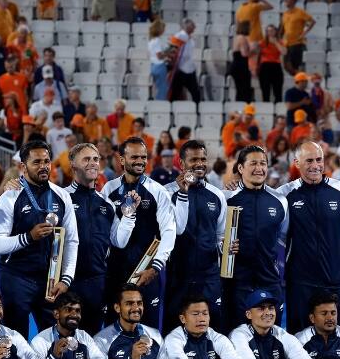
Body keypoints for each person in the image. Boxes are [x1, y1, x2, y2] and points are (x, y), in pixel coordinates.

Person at [272, 141, 340, 332]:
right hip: (300, 282)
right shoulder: (284, 195)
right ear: (297, 163)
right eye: (309, 160)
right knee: (299, 343)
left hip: (334, 279)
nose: (315, 165)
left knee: (336, 341)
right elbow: (275, 232)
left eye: (319, 160)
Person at [0, 140, 78, 336]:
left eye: (47, 161)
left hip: (50, 280)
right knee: (15, 341)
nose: (43, 166)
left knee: (53, 339)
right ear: (23, 166)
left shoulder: (62, 196)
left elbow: (71, 240)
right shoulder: (9, 197)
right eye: (36, 162)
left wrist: (66, 278)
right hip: (16, 278)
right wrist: (28, 237)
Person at [99, 137, 176, 330]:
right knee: (112, 327)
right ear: (122, 159)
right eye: (134, 157)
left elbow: (169, 231)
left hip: (147, 271)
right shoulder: (109, 189)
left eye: (143, 157)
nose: (140, 161)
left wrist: (156, 267)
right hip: (115, 272)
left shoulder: (157, 191)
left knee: (149, 328)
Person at [161, 140, 229, 332]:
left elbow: (220, 236)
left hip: (209, 277)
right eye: (194, 159)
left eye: (203, 159)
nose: (199, 163)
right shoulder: (166, 193)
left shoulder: (217, 195)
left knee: (213, 331)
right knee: (174, 330)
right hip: (178, 276)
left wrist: (226, 246)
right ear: (181, 164)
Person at [67, 142, 134, 329]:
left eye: (96, 159)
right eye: (86, 159)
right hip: (68, 282)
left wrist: (129, 214)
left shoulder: (107, 204)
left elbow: (119, 241)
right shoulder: (62, 198)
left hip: (97, 283)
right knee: (65, 338)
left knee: (93, 338)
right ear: (73, 165)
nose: (93, 163)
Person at [223, 145, 289, 329]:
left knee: (271, 339)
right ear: (241, 168)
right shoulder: (226, 198)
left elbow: (285, 237)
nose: (259, 168)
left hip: (269, 281)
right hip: (236, 284)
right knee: (236, 339)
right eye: (253, 163)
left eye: (263, 163)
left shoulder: (280, 201)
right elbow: (216, 237)